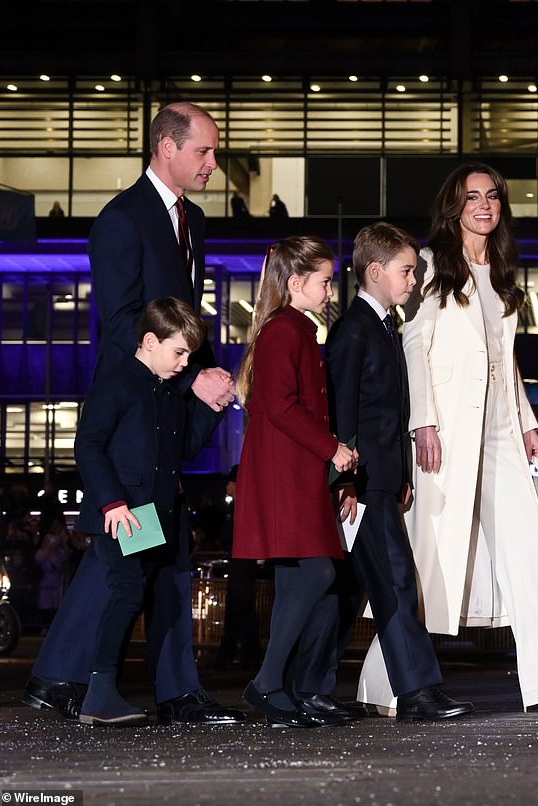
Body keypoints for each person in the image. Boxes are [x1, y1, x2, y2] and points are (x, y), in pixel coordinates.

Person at [23, 102, 243, 726]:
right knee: (135, 552)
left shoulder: (193, 221)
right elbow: (121, 322)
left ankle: (107, 681)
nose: (212, 163)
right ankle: (83, 679)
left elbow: (186, 319)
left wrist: (202, 369)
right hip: (137, 410)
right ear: (166, 147)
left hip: (169, 402)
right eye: (203, 151)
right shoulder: (120, 219)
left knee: (154, 553)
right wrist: (183, 370)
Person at [358, 164, 538, 714]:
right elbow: (415, 346)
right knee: (429, 560)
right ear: (453, 206)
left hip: (503, 433)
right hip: (448, 435)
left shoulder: (505, 273)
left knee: (530, 553)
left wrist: (528, 420)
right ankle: (382, 684)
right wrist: (423, 421)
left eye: (491, 196)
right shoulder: (434, 265)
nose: (483, 205)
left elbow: (505, 360)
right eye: (471, 197)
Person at [305, 222, 474, 723]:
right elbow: (342, 414)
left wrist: (398, 474)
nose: (413, 280)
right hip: (361, 485)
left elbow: (384, 413)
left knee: (349, 591)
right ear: (374, 272)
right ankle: (419, 691)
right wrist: (349, 483)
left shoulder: (380, 325)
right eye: (406, 271)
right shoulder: (353, 331)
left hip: (377, 481)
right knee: (396, 582)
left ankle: (303, 687)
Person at [74, 298, 239, 725]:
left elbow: (183, 449)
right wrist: (112, 502)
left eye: (188, 354)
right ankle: (96, 691)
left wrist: (213, 407)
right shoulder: (116, 382)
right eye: (179, 352)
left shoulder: (165, 392)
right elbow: (88, 445)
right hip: (122, 512)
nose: (186, 363)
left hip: (148, 515)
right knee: (127, 592)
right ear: (150, 341)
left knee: (137, 596)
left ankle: (98, 691)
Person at [233, 236, 358, 728]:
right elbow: (284, 405)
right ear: (296, 283)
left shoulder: (290, 330)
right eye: (325, 281)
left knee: (297, 580)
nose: (331, 291)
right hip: (289, 472)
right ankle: (266, 682)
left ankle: (274, 685)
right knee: (319, 573)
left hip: (291, 469)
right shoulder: (286, 332)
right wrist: (334, 449)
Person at [216, 464, 262, 671]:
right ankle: (237, 653)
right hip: (242, 558)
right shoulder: (240, 506)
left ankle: (245, 654)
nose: (227, 487)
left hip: (241, 558)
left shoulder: (239, 508)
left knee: (241, 606)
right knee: (238, 607)